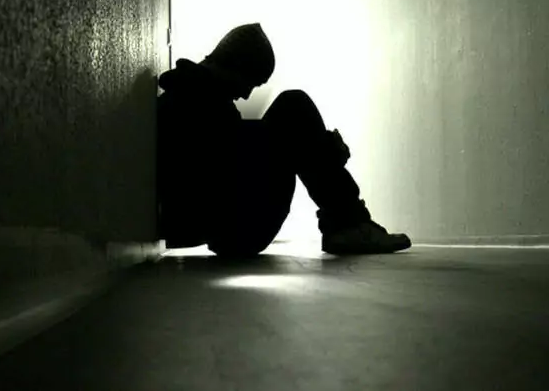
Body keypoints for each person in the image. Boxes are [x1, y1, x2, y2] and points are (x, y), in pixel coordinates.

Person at [157, 23, 411, 257]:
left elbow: (227, 153)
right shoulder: (191, 101)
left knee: (294, 117)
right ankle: (348, 225)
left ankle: (347, 223)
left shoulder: (193, 95)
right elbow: (219, 163)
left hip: (228, 226)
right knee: (294, 106)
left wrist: (318, 150)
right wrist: (321, 152)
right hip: (232, 229)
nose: (246, 95)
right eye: (250, 82)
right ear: (234, 65)